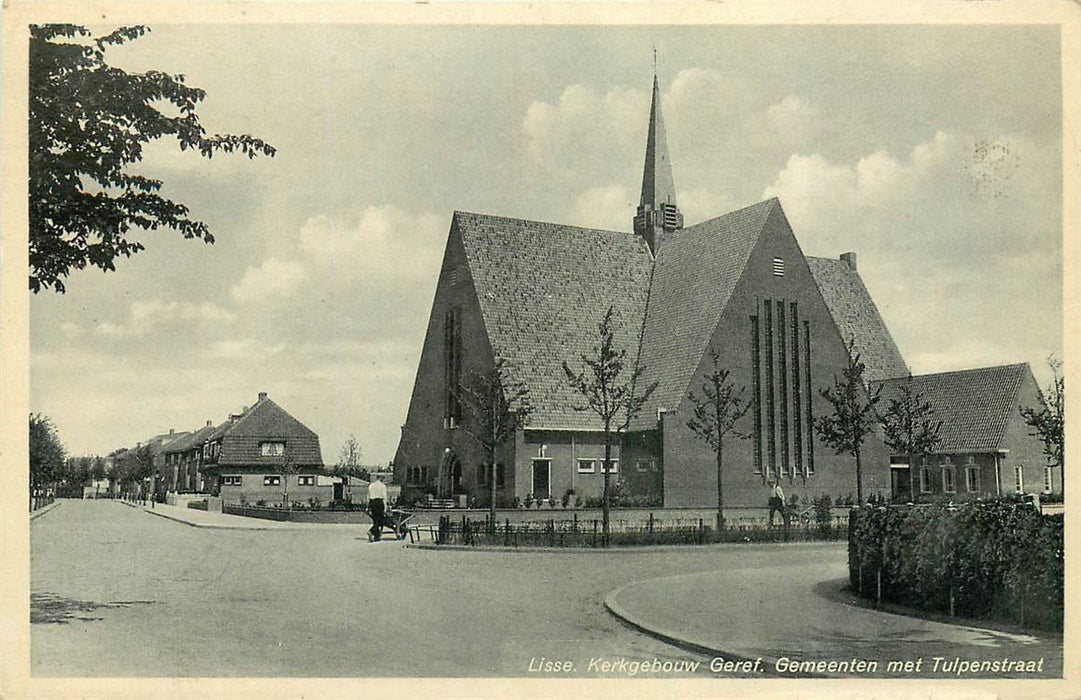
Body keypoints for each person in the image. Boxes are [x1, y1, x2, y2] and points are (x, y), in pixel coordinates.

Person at [368, 475, 387, 542]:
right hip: (379, 503)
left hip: (372, 503)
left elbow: (369, 496)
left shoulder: (371, 486)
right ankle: (371, 531)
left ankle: (377, 536)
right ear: (380, 478)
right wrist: (385, 507)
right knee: (380, 520)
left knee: (375, 520)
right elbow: (384, 497)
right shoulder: (383, 486)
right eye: (383, 478)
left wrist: (368, 507)